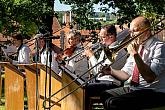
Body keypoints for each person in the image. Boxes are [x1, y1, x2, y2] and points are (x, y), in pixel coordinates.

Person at [100, 16, 165, 110]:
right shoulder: (137, 46)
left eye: (134, 30)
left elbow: (149, 77)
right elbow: (125, 74)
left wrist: (135, 54)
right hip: (135, 89)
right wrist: (111, 71)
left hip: (154, 91)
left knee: (113, 103)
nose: (131, 35)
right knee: (105, 94)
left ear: (146, 31)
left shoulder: (160, 47)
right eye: (130, 31)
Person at [84, 24, 128, 109]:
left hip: (112, 83)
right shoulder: (106, 50)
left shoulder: (118, 51)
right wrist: (90, 59)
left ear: (111, 36)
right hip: (101, 81)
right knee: (79, 85)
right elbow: (96, 72)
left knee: (83, 89)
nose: (100, 40)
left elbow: (100, 70)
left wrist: (91, 56)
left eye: (102, 37)